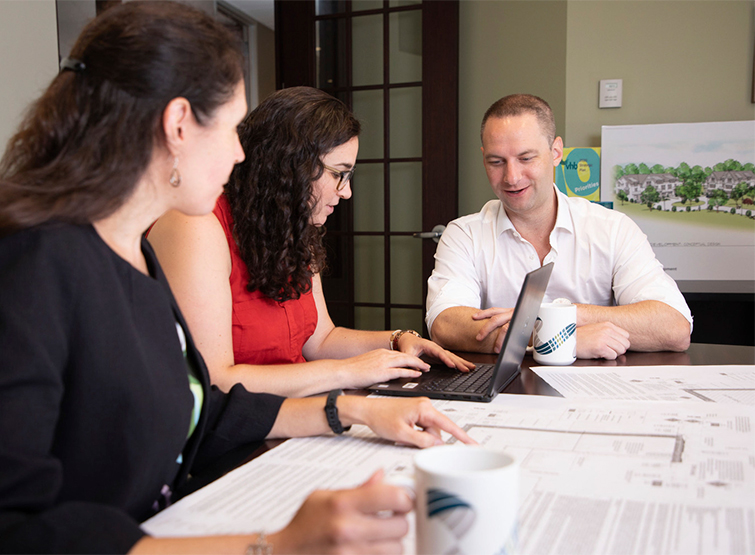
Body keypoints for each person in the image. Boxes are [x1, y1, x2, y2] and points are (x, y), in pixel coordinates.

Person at [0, 4, 474, 554]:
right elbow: (18, 533)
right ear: (178, 125)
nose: (241, 152)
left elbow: (204, 408)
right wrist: (273, 545)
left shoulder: (133, 256)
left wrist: (357, 408)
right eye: (231, 129)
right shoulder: (35, 265)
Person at [148, 86, 474, 398]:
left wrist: (398, 340)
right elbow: (215, 381)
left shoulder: (292, 227)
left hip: (293, 413)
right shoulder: (197, 227)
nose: (346, 192)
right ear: (291, 165)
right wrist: (348, 373)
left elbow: (319, 341)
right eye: (339, 174)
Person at [426, 94, 692, 360]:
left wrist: (563, 316)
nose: (512, 177)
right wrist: (560, 338)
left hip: (596, 394)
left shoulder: (612, 229)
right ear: (484, 158)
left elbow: (674, 327)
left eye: (526, 158)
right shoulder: (463, 234)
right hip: (506, 395)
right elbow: (445, 324)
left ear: (555, 152)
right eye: (496, 162)